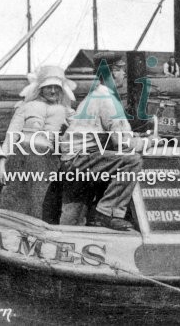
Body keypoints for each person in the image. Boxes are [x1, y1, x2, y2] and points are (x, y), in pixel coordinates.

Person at [59, 55, 156, 230]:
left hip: (73, 158)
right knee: (132, 160)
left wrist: (136, 137)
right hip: (79, 159)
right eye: (120, 69)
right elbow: (123, 143)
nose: (124, 74)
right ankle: (106, 213)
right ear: (110, 72)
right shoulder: (108, 99)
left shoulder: (96, 95)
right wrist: (150, 142)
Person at [0, 65, 76, 219]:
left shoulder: (66, 111)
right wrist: (1, 165)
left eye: (56, 87)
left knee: (39, 202)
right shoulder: (25, 107)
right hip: (20, 158)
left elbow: (82, 130)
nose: (53, 91)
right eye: (48, 87)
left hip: (47, 162)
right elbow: (11, 134)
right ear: (40, 88)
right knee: (14, 199)